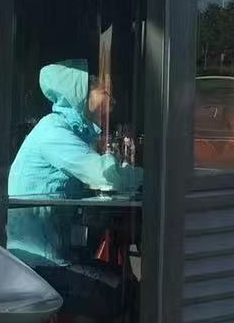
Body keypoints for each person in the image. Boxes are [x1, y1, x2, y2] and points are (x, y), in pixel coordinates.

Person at [7, 60, 143, 270]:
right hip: (38, 261)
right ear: (79, 94)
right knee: (117, 283)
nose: (113, 101)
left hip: (53, 252)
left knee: (116, 275)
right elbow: (105, 175)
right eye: (105, 93)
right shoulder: (53, 131)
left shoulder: (67, 129)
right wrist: (148, 178)